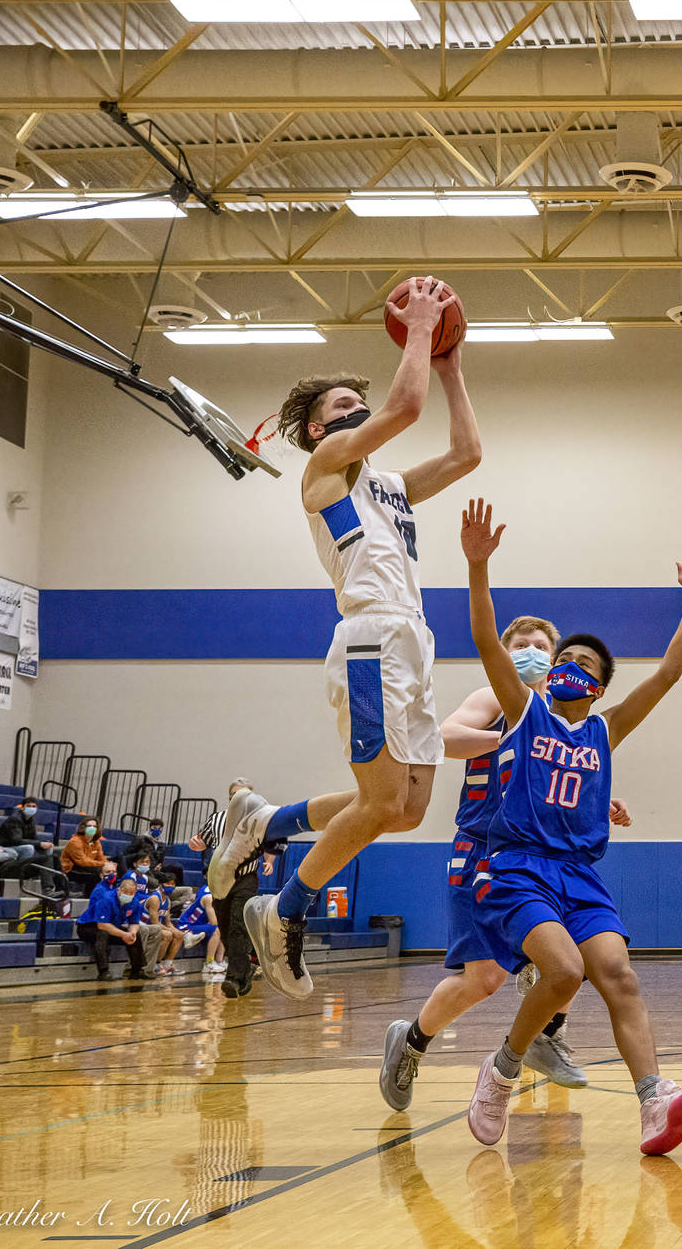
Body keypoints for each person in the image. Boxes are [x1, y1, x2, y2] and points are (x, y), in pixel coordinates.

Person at [211, 276, 481, 1000]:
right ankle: (283, 909)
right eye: (342, 407)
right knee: (380, 799)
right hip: (370, 637)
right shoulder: (322, 470)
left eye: (358, 403)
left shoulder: (388, 482)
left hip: (414, 639)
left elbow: (465, 455)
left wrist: (452, 369)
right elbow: (404, 404)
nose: (358, 410)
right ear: (315, 431)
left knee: (406, 808)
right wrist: (422, 328)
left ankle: (269, 819)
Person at [457, 499, 682, 1156]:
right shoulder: (525, 709)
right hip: (517, 865)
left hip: (579, 873)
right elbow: (489, 640)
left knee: (618, 974)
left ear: (597, 686)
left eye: (584, 661)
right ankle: (502, 1071)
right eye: (563, 654)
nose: (569, 661)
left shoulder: (605, 727)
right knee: (566, 971)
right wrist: (477, 567)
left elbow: (668, 673)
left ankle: (653, 1101)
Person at [379, 615, 607, 1114]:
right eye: (520, 645)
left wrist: (605, 803)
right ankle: (411, 1042)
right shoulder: (496, 699)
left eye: (540, 645)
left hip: (543, 854)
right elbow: (445, 737)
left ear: (555, 656)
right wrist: (506, 740)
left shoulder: (564, 715)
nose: (530, 651)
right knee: (483, 979)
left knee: (576, 950)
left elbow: (572, 782)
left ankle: (549, 1036)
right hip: (482, 847)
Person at [188, 782, 287, 999]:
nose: (238, 798)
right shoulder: (216, 819)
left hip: (245, 878)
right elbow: (203, 841)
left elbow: (273, 843)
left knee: (237, 925)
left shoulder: (259, 820)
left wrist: (269, 861)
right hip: (218, 879)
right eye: (234, 794)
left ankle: (234, 978)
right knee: (224, 929)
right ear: (229, 798)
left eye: (244, 795)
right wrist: (195, 844)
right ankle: (247, 967)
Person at [75, 874, 148, 980]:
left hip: (111, 926)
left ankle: (136, 970)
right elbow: (102, 925)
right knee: (102, 933)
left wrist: (132, 933)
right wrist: (123, 934)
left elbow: (134, 923)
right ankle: (103, 972)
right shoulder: (106, 899)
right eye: (125, 892)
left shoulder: (135, 903)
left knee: (135, 935)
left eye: (131, 893)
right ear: (119, 890)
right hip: (88, 927)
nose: (128, 895)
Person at [172, 884, 226, 980]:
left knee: (224, 928)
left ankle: (219, 961)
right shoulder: (209, 898)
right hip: (186, 925)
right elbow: (213, 923)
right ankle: (209, 963)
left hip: (198, 925)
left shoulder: (208, 890)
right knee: (217, 929)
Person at [0, 796, 57, 875]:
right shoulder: (14, 819)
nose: (31, 808)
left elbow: (34, 839)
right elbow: (16, 840)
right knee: (28, 848)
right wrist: (39, 844)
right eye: (28, 806)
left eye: (33, 806)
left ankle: (45, 875)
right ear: (22, 807)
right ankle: (21, 872)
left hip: (20, 845)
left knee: (48, 848)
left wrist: (43, 844)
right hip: (5, 846)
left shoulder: (31, 820)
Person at [60, 818, 108, 892]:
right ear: (83, 828)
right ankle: (88, 895)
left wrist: (106, 864)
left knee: (115, 863)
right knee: (100, 871)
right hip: (72, 869)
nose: (92, 828)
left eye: (94, 826)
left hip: (89, 867)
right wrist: (103, 864)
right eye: (89, 826)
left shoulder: (96, 842)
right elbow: (82, 861)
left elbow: (101, 858)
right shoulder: (75, 841)